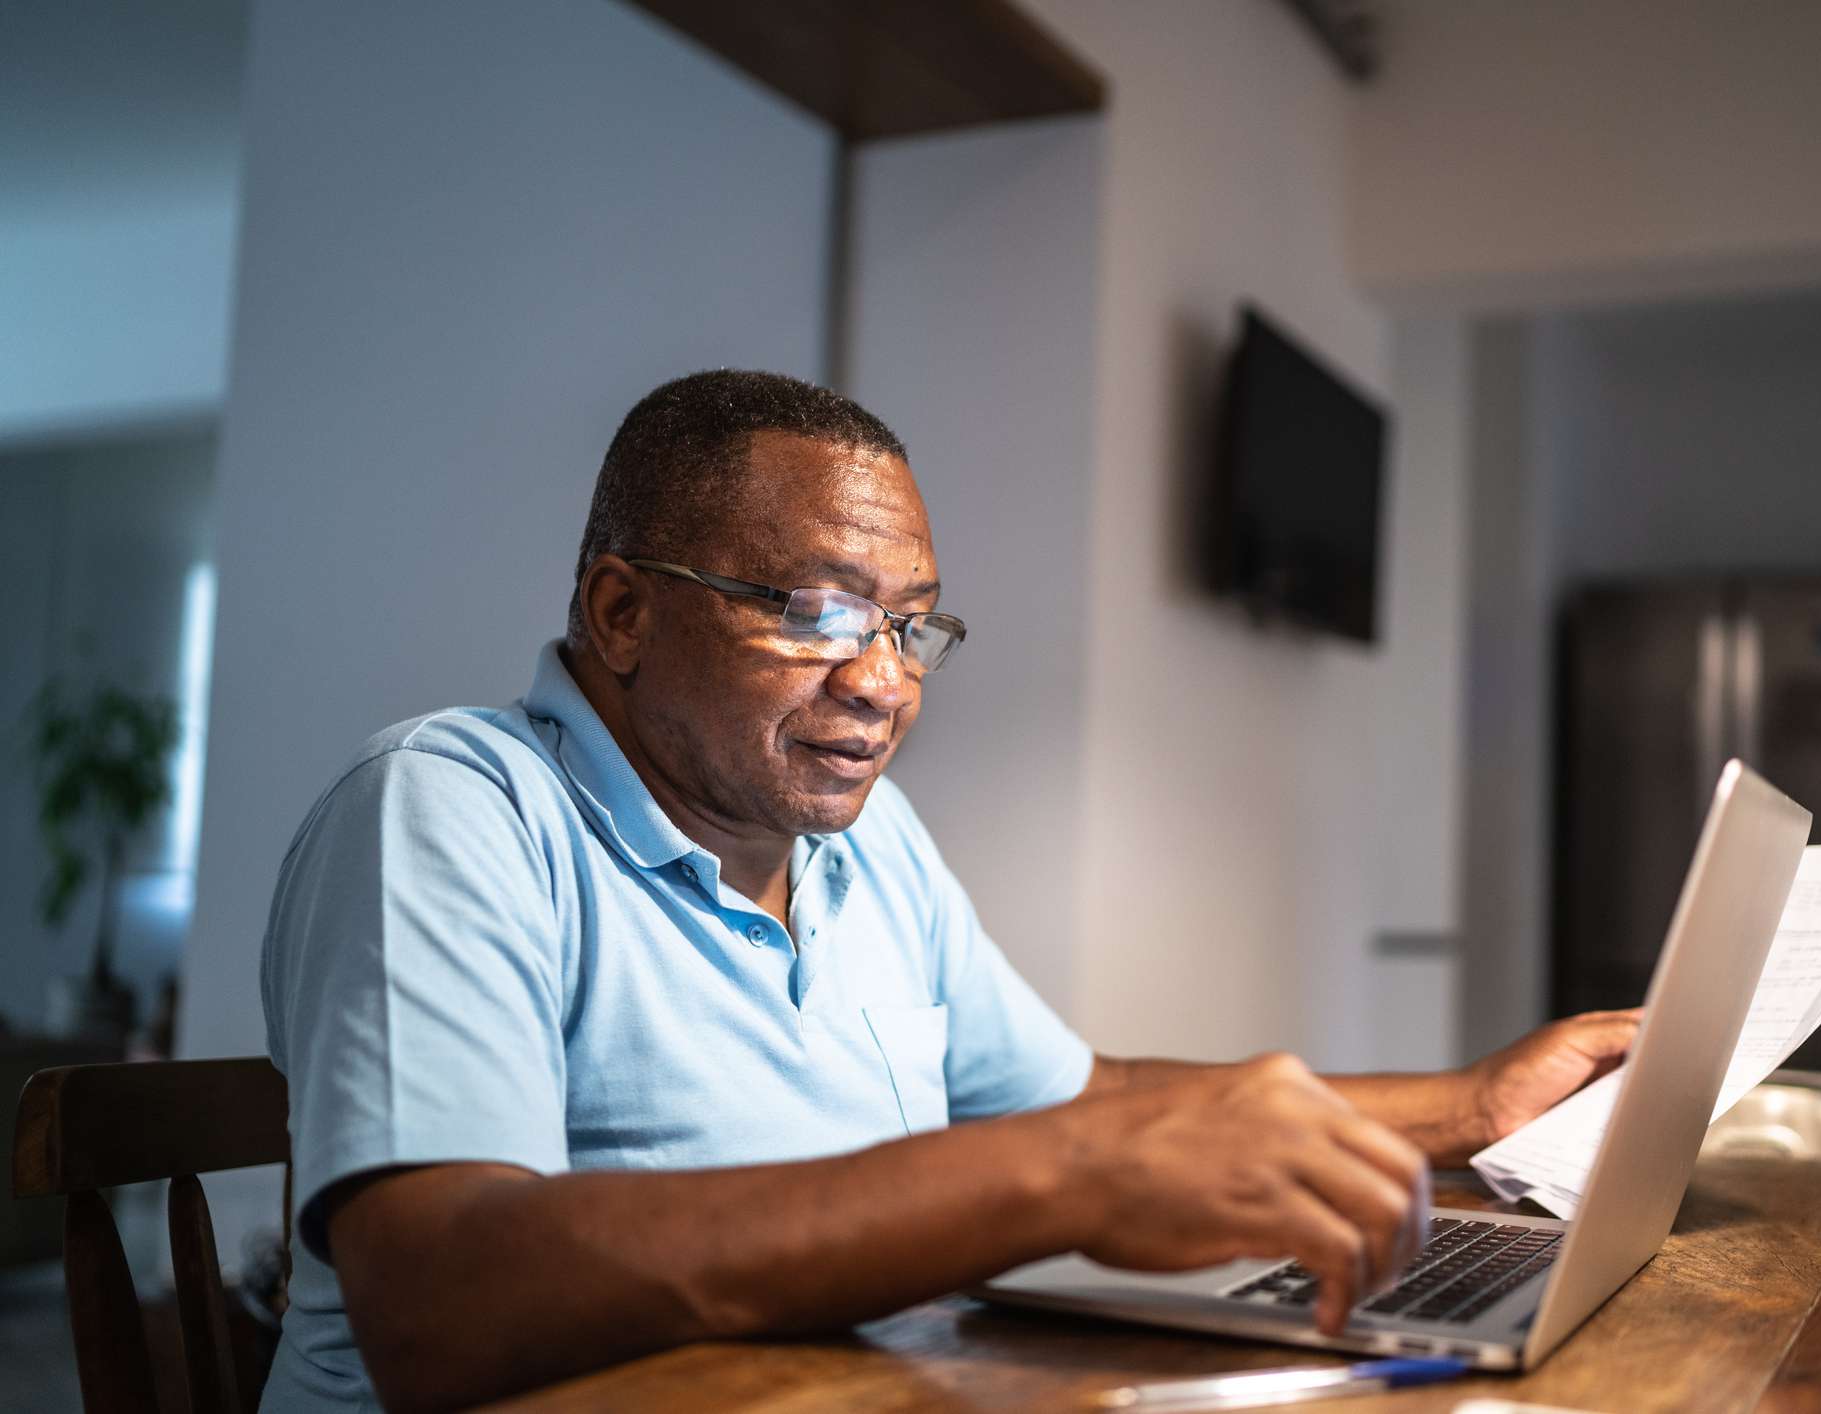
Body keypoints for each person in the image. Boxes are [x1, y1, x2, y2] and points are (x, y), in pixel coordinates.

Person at [259, 370, 1639, 1414]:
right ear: (622, 613)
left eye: (911, 622)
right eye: (815, 612)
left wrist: (1469, 1108)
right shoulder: (451, 809)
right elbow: (440, 1294)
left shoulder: (871, 846)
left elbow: (1069, 1098)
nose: (883, 679)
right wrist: (1061, 1180)